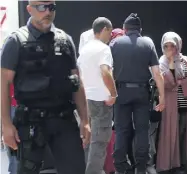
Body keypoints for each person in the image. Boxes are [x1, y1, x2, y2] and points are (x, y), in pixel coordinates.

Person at [0, 1, 90, 174]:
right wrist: (6, 124)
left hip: (64, 120)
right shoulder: (15, 41)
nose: (47, 12)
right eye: (42, 7)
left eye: (51, 7)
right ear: (29, 9)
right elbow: (3, 84)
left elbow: (76, 82)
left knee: (76, 169)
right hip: (30, 122)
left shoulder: (65, 40)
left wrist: (85, 120)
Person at [110, 13, 165, 174]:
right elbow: (157, 73)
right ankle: (141, 167)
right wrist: (162, 97)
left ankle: (120, 166)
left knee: (121, 130)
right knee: (142, 130)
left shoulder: (115, 43)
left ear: (125, 29)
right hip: (142, 92)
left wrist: (111, 92)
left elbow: (107, 70)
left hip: (121, 92)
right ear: (140, 29)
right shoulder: (147, 44)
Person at [77, 17, 117, 174]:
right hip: (101, 100)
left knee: (88, 139)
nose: (111, 36)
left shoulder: (84, 49)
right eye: (110, 32)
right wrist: (113, 93)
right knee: (100, 141)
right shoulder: (103, 49)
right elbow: (105, 71)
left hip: (86, 99)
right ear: (105, 29)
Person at [156, 31, 187, 173]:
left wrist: (185, 81)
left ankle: (185, 163)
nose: (169, 49)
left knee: (185, 132)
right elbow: (170, 82)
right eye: (166, 46)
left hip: (186, 102)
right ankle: (172, 164)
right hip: (171, 103)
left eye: (172, 46)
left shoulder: (185, 59)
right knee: (171, 133)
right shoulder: (162, 61)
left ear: (178, 45)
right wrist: (172, 62)